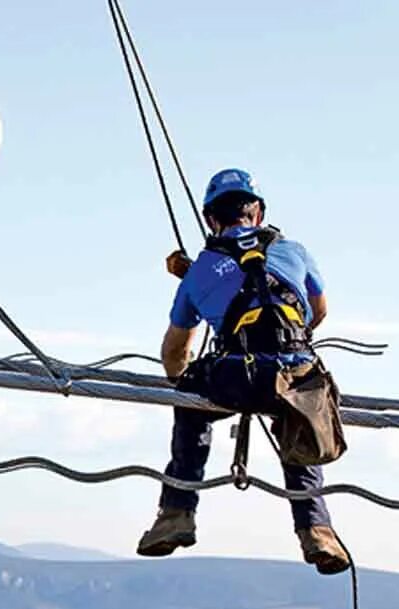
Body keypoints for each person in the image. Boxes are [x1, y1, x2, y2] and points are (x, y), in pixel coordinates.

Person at [138, 168, 350, 575]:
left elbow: (175, 351)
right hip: (295, 370)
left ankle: (176, 514)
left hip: (236, 375)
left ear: (211, 220)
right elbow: (318, 310)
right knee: (299, 417)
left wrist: (177, 379)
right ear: (257, 213)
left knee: (190, 400)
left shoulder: (199, 270)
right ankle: (317, 531)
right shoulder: (295, 251)